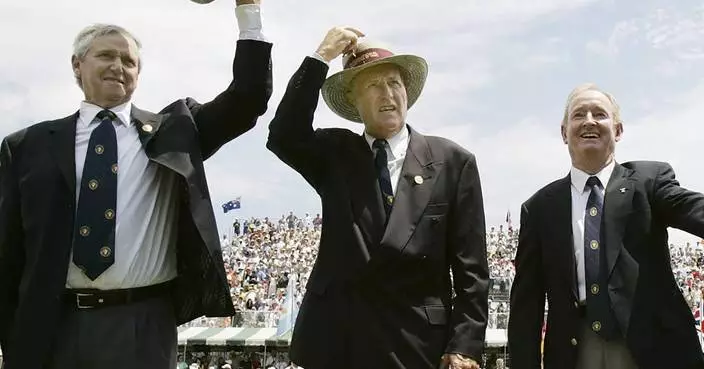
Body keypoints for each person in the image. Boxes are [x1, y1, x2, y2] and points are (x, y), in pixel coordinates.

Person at [0, 1, 272, 368]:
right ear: (77, 65)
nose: (118, 66)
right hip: (53, 322)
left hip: (143, 322)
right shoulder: (26, 146)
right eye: (106, 56)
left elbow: (247, 98)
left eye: (129, 61)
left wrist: (249, 11)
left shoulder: (175, 131)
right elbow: (7, 254)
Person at [267, 26, 489, 369]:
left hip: (418, 345)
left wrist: (465, 345)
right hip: (339, 343)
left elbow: (471, 270)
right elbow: (283, 134)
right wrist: (319, 58)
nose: (387, 94)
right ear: (354, 100)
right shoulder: (335, 154)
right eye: (373, 85)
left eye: (394, 83)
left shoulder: (452, 162)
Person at [508, 83, 704, 369]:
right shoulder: (539, 208)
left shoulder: (649, 182)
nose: (589, 120)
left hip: (650, 346)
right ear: (564, 132)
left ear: (618, 130)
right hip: (575, 352)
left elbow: (692, 208)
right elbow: (527, 304)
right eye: (579, 115)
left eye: (600, 114)